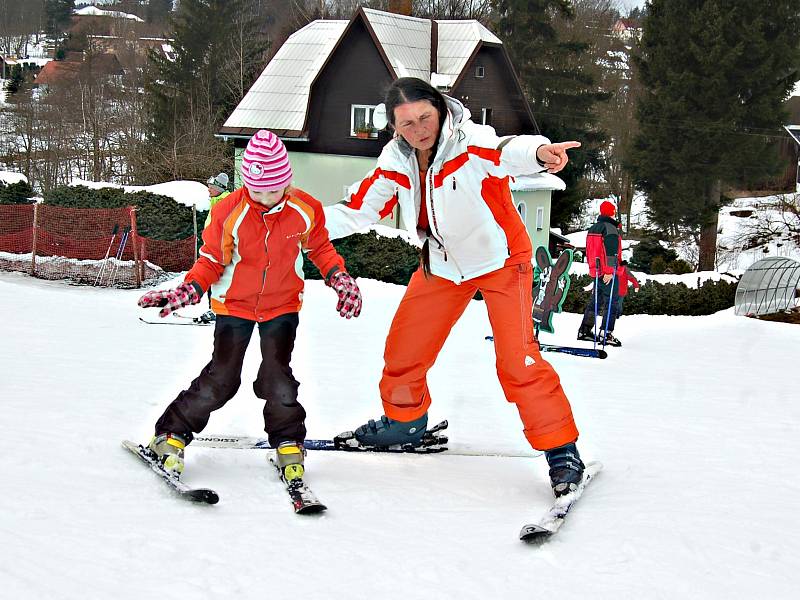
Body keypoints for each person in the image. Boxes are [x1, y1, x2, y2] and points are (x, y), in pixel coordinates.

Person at [324, 77, 584, 497]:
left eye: (424, 117)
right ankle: (405, 423)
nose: (418, 129)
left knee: (518, 362)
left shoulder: (470, 143)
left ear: (440, 109)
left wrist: (540, 153)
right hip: (442, 265)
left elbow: (507, 151)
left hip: (501, 260)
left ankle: (560, 449)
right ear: (394, 126)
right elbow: (359, 209)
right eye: (406, 123)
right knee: (404, 350)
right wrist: (300, 226)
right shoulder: (397, 159)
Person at [138, 130, 363, 482]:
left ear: (286, 182)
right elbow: (211, 259)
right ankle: (171, 433)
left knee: (278, 378)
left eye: (274, 190)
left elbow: (320, 248)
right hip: (234, 307)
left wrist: (340, 278)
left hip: (283, 305)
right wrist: (189, 289)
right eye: (257, 191)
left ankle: (288, 440)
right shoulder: (229, 211)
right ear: (246, 184)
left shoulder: (305, 209)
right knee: (222, 379)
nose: (265, 199)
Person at [577, 201, 622, 347]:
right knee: (611, 302)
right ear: (611, 212)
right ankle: (606, 333)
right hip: (607, 272)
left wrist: (595, 269)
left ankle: (585, 330)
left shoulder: (593, 228)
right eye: (613, 211)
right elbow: (611, 252)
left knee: (595, 301)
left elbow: (590, 251)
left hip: (596, 271)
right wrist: (609, 271)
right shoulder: (610, 229)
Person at [198, 173, 232, 323]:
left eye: (211, 187)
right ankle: (216, 309)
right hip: (214, 248)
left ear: (218, 188)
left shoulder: (225, 202)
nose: (208, 189)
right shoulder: (217, 201)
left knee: (219, 280)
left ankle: (218, 311)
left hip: (221, 249)